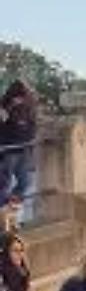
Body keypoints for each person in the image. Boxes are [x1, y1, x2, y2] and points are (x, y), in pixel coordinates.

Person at [0, 80, 38, 218]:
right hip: (8, 150)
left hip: (24, 149)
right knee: (3, 185)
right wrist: (7, 109)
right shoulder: (5, 107)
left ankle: (9, 209)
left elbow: (32, 126)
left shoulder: (29, 107)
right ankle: (3, 217)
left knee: (25, 183)